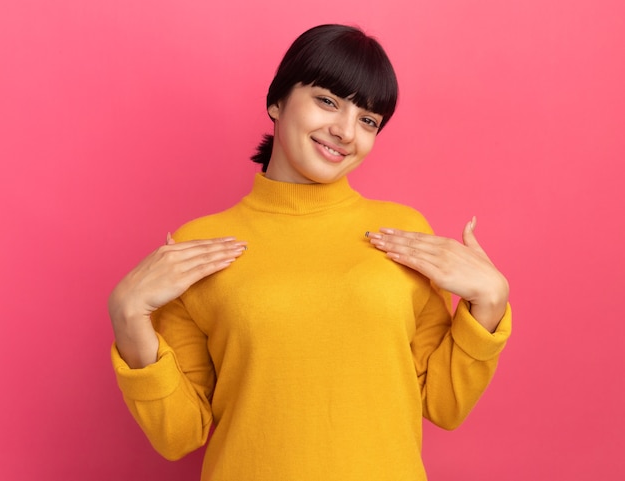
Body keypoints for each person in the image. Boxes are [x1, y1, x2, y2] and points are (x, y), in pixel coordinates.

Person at [109, 24, 511, 481]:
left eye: (368, 120)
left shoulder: (404, 234)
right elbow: (178, 435)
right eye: (327, 101)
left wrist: (489, 304)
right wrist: (128, 316)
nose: (344, 131)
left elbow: (443, 404)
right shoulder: (199, 246)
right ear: (276, 101)